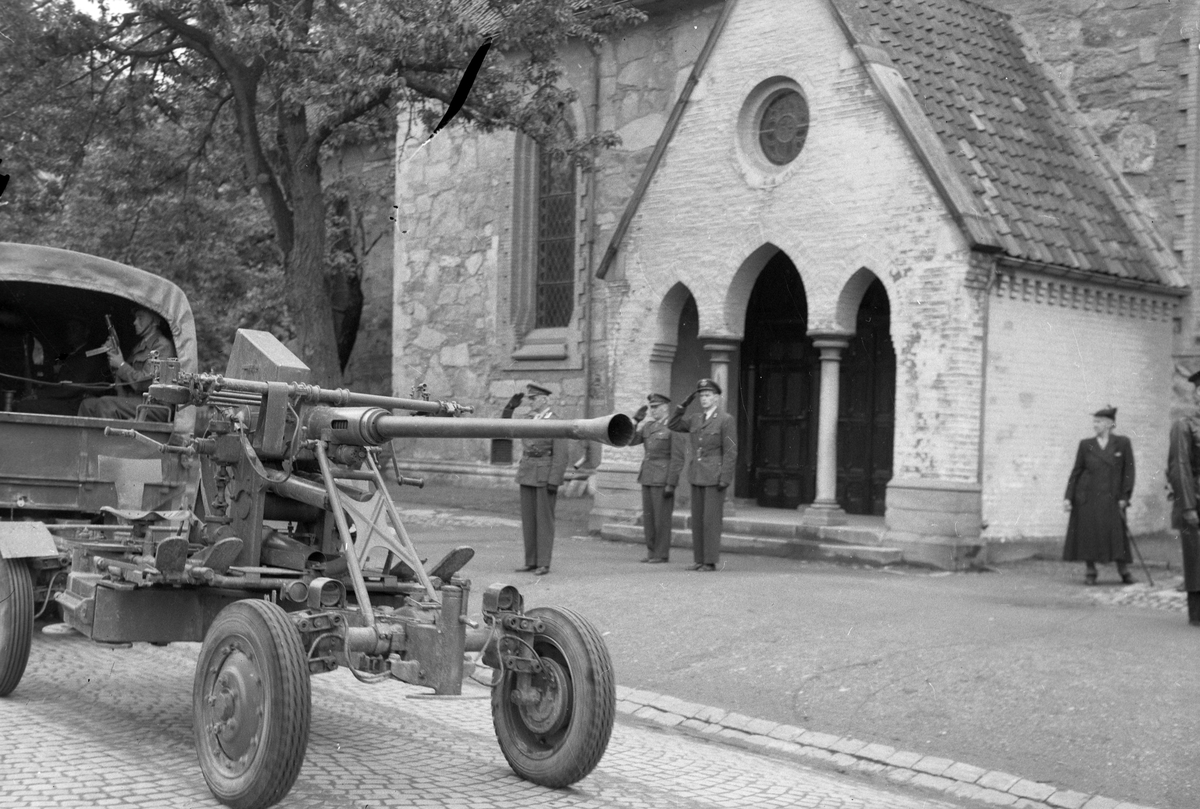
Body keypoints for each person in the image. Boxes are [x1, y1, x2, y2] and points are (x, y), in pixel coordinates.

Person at [668, 378, 737, 571]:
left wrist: (725, 477)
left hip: (714, 476)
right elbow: (672, 424)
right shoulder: (695, 419)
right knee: (697, 519)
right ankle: (699, 559)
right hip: (697, 473)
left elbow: (731, 451)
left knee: (710, 520)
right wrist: (684, 404)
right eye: (701, 396)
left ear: (716, 398)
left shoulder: (725, 419)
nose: (704, 399)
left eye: (708, 395)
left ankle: (710, 560)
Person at [1062, 405, 1135, 585]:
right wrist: (1068, 497)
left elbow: (1129, 472)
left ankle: (1123, 570)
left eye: (1099, 422)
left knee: (1117, 534)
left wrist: (1125, 497)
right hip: (1088, 497)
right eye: (1094, 421)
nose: (1095, 425)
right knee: (1089, 534)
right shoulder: (1086, 445)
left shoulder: (1123, 443)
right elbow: (1076, 471)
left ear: (1110, 424)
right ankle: (1090, 570)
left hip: (1113, 498)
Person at [503, 383, 568, 576]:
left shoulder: (555, 421)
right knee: (529, 520)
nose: (530, 402)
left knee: (544, 521)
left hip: (545, 475)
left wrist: (554, 480)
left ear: (544, 400)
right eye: (529, 398)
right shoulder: (528, 419)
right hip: (527, 472)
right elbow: (505, 429)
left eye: (533, 398)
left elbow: (561, 454)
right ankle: (530, 561)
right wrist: (509, 409)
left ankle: (543, 563)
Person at [78, 307, 176, 421]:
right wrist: (114, 357)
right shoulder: (140, 346)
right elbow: (123, 378)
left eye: (140, 318)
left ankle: (109, 439)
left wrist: (121, 365)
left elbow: (145, 383)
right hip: (136, 399)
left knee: (106, 404)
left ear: (155, 322)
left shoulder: (162, 346)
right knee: (87, 405)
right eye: (135, 318)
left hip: (155, 405)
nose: (135, 322)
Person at [629, 393, 685, 563]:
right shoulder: (648, 427)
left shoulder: (673, 427)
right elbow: (630, 441)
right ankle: (652, 551)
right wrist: (634, 422)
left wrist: (671, 483)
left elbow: (677, 458)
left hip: (663, 477)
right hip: (647, 475)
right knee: (649, 517)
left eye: (656, 407)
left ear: (665, 408)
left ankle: (661, 553)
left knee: (662, 518)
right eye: (651, 407)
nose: (653, 411)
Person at [15, 318, 109, 416]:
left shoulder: (89, 356)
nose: (70, 332)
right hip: (67, 400)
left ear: (86, 332)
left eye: (74, 328)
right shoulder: (73, 353)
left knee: (25, 406)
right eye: (69, 329)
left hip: (76, 404)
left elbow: (72, 388)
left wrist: (38, 395)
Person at [1167, 371, 1200, 626]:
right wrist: (1188, 505)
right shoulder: (1185, 425)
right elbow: (1179, 466)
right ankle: (1197, 614)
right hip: (1196, 500)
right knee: (1196, 558)